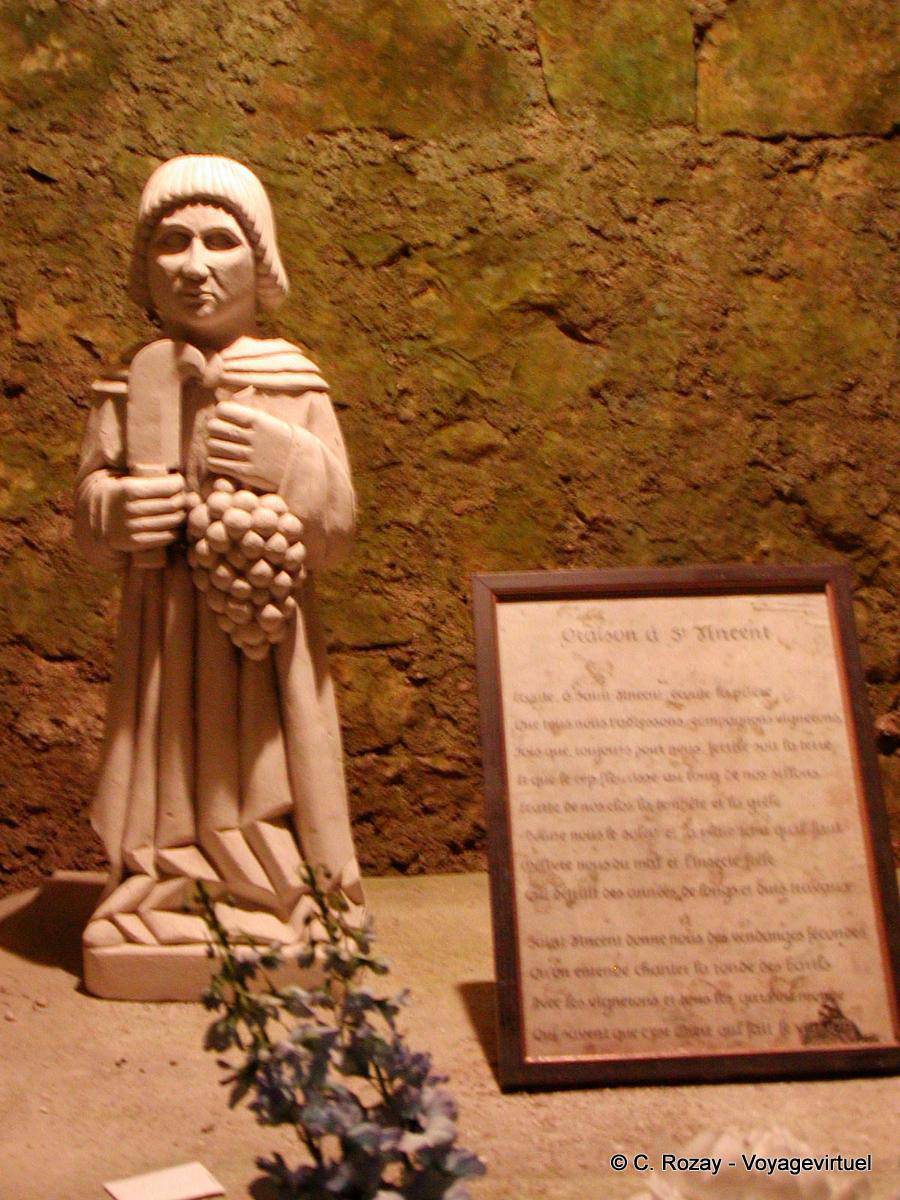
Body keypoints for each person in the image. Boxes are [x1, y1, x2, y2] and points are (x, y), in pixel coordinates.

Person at [74, 155, 363, 998]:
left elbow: (337, 527)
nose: (195, 265)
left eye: (219, 241)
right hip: (164, 633)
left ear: (259, 261)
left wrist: (290, 462)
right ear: (146, 266)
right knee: (166, 756)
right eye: (172, 242)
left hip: (263, 634)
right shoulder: (129, 385)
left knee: (265, 758)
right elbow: (88, 507)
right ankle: (162, 883)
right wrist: (114, 511)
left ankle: (283, 890)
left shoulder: (293, 383)